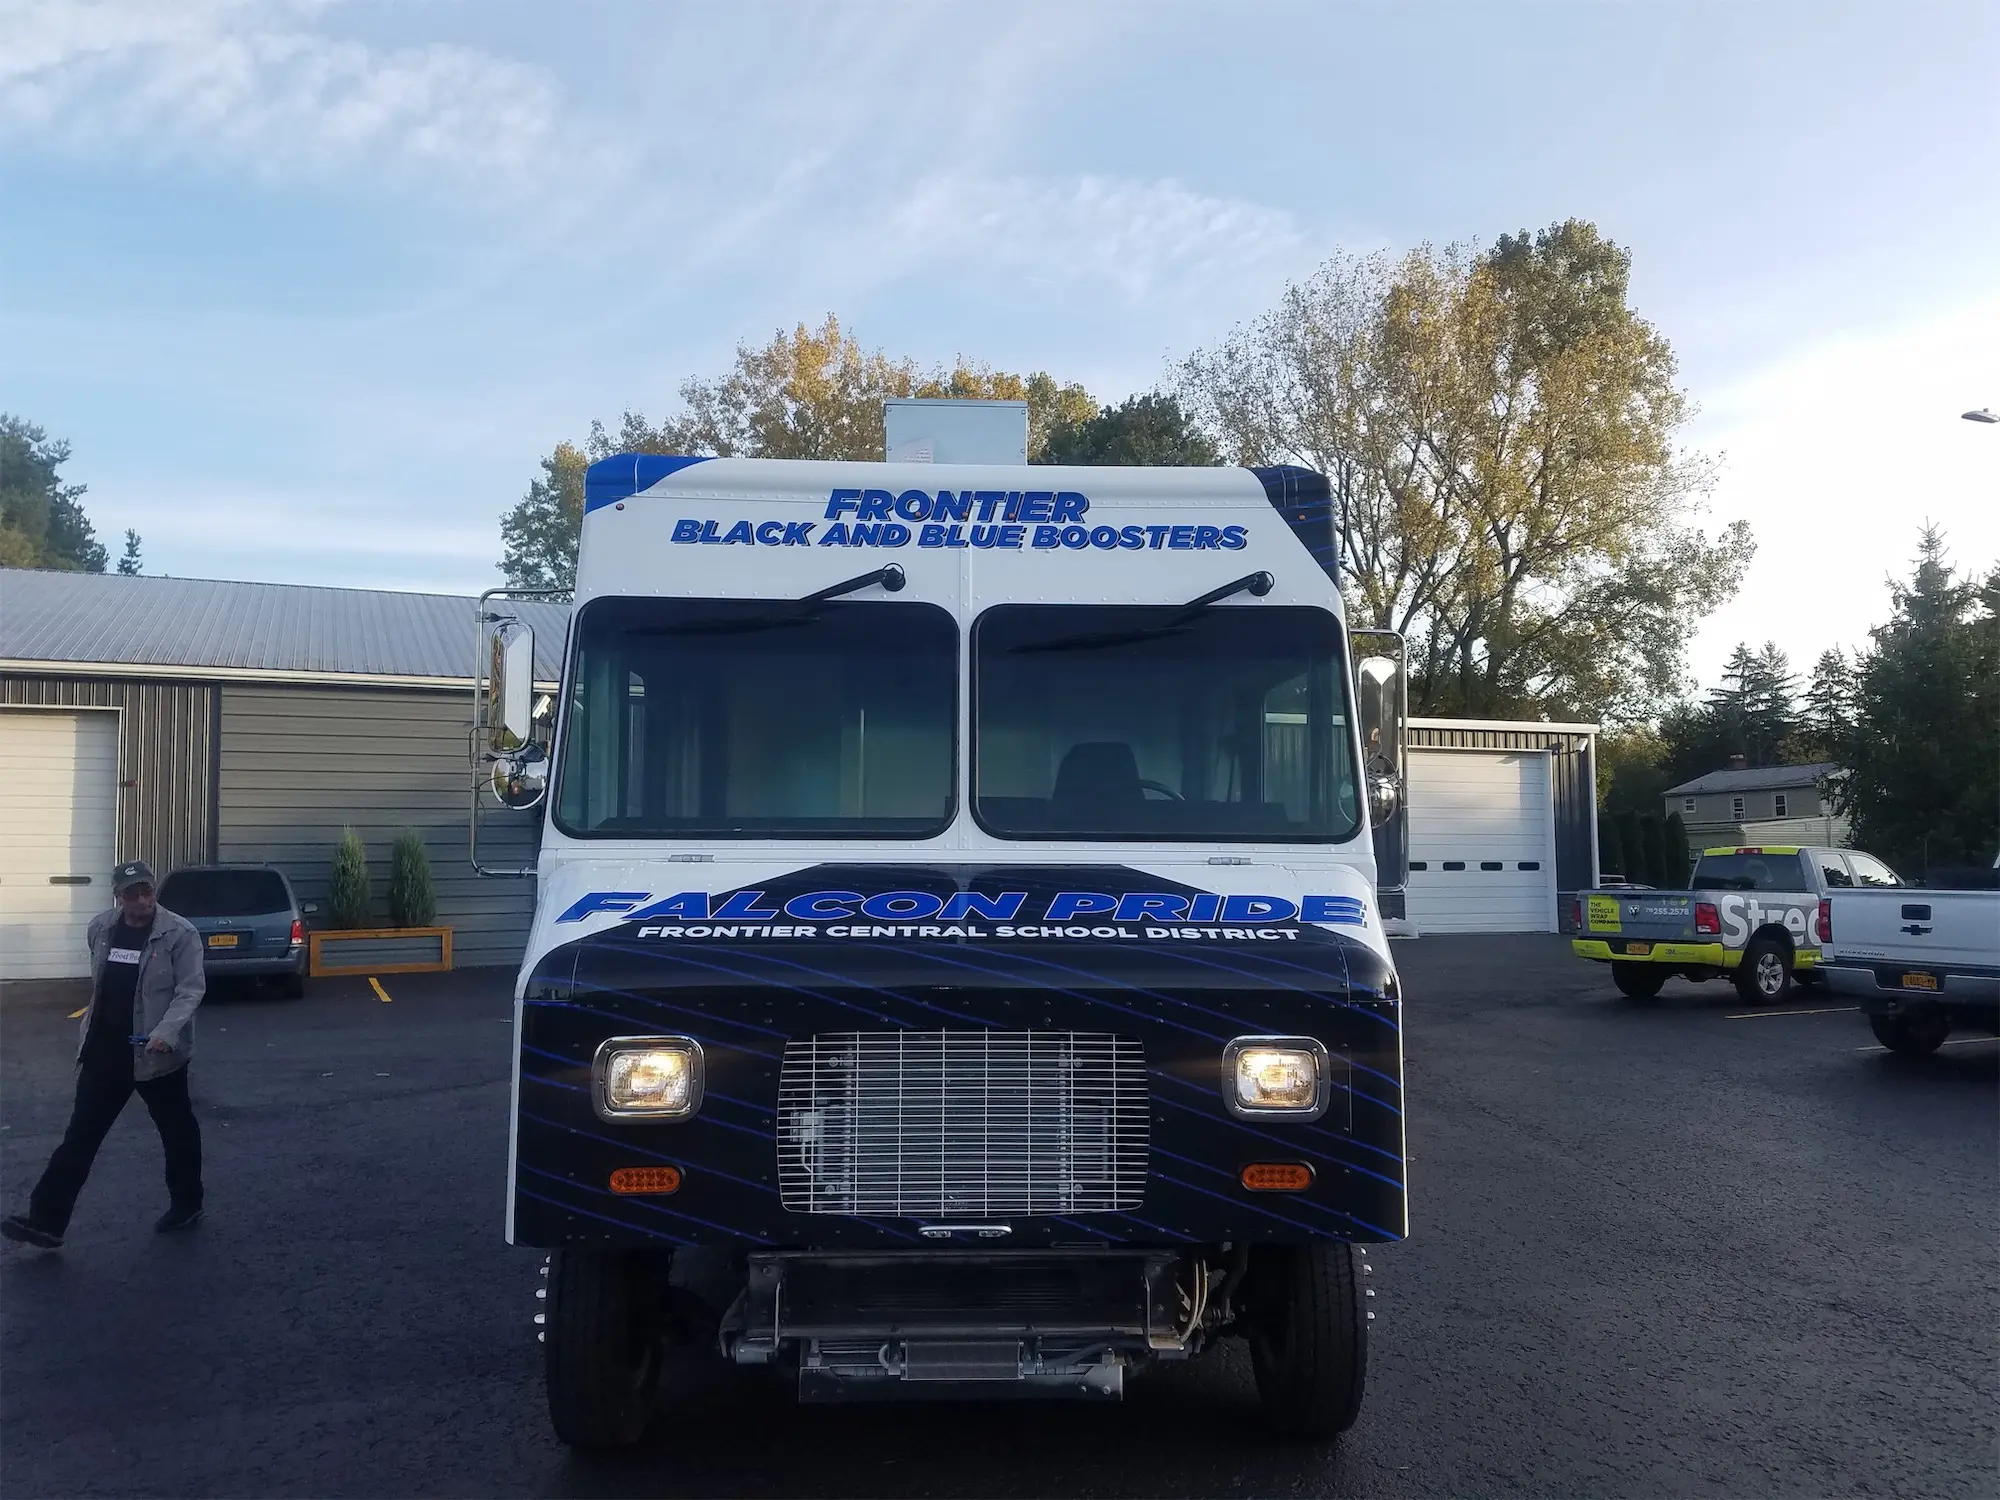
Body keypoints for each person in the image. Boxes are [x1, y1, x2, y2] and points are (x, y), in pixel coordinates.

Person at [2, 860, 207, 1250]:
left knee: (177, 1131)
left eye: (148, 891)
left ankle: (187, 1203)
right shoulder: (101, 928)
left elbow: (190, 990)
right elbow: (102, 984)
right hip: (105, 1051)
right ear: (119, 896)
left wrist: (165, 1033)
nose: (143, 900)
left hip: (155, 1053)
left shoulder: (180, 934)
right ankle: (46, 1221)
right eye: (133, 894)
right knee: (80, 1136)